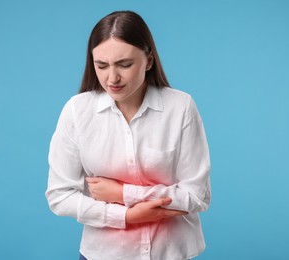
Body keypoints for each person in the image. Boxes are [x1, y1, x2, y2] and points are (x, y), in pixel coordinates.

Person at [45, 10, 211, 260]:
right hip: (103, 253)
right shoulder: (77, 111)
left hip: (171, 252)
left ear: (149, 61)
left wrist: (123, 194)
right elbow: (60, 195)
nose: (112, 78)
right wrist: (126, 216)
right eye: (101, 66)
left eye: (125, 64)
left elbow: (197, 195)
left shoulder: (181, 107)